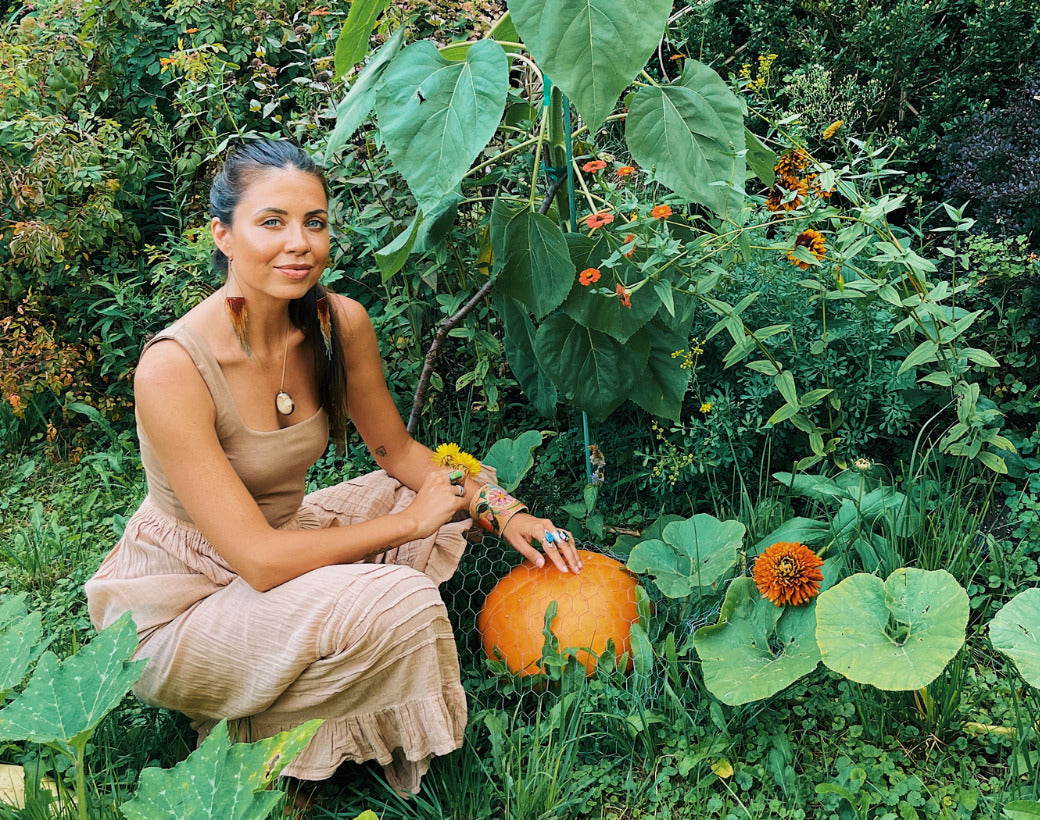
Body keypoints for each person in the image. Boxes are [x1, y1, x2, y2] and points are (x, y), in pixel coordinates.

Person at [84, 139, 582, 799]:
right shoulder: (174, 368)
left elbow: (399, 454)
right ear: (223, 235)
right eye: (272, 222)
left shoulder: (337, 323)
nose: (299, 243)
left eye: (314, 222)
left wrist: (500, 507)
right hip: (185, 602)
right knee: (403, 594)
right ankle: (252, 742)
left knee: (410, 494)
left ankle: (280, 703)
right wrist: (409, 519)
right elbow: (260, 560)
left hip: (279, 544)